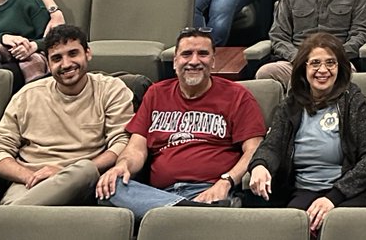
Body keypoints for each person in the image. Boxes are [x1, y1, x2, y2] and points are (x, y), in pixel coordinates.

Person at [96, 27, 265, 217]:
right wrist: (122, 166)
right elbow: (136, 148)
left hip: (210, 190)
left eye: (202, 54)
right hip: (157, 193)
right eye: (186, 54)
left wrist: (226, 181)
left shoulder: (237, 96)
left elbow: (254, 150)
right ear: (175, 62)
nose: (194, 61)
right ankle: (191, 213)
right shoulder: (156, 93)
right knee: (110, 187)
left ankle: (172, 215)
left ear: (213, 61)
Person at [248, 32, 366, 229]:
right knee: (289, 229)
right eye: (315, 63)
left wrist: (333, 197)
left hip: (346, 191)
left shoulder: (356, 103)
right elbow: (271, 146)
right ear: (304, 68)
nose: (323, 70)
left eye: (330, 63)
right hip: (302, 190)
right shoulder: (290, 106)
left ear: (340, 68)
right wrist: (260, 165)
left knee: (337, 227)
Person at [0, 25, 134, 205]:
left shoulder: (111, 89)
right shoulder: (27, 96)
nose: (66, 64)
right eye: (57, 58)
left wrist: (62, 173)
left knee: (85, 169)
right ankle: (12, 216)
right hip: (30, 184)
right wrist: (30, 176)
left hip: (86, 181)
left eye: (73, 54)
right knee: (20, 215)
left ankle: (7, 219)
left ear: (88, 53)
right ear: (48, 64)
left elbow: (121, 144)